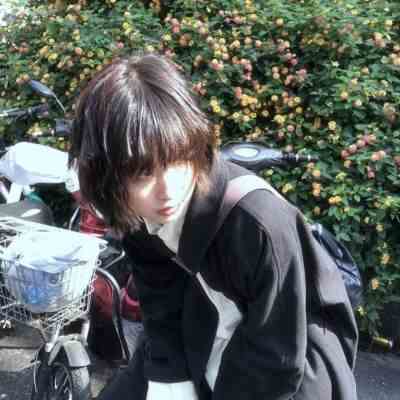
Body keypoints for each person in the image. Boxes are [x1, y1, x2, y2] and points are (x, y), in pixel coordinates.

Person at [70, 53, 358, 400]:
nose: (168, 189)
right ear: (108, 176)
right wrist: (169, 381)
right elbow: (159, 302)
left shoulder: (259, 223)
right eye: (143, 173)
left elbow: (276, 358)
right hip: (203, 324)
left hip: (291, 358)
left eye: (177, 159)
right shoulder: (134, 212)